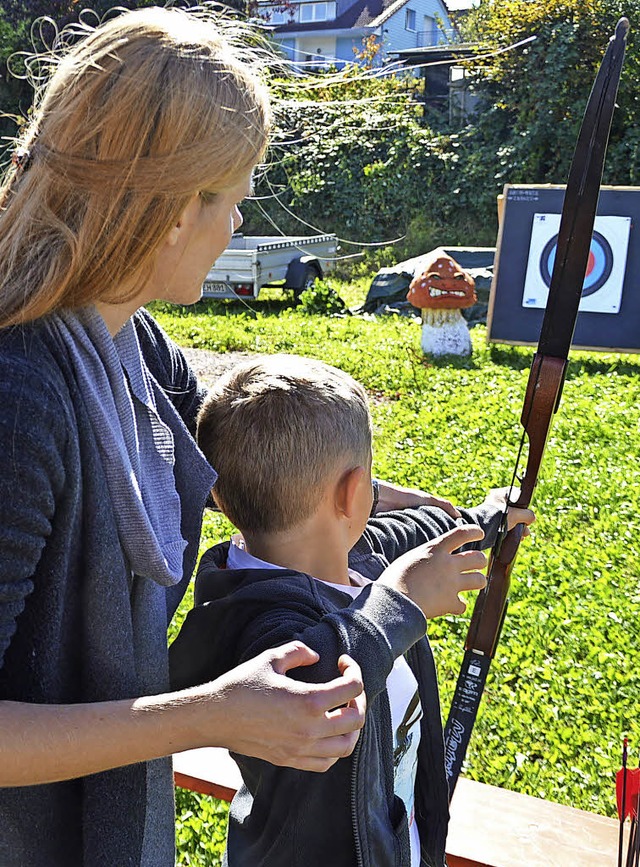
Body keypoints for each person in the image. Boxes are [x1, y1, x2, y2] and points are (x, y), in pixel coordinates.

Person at [0, 7, 468, 865]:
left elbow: (230, 447)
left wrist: (387, 501)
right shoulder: (22, 392)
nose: (238, 229)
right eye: (236, 201)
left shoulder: (121, 338)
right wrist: (214, 711)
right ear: (173, 209)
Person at [169, 354, 535, 867]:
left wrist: (489, 518)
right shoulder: (255, 617)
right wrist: (398, 602)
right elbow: (320, 677)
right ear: (355, 492)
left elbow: (419, 535)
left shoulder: (352, 556)